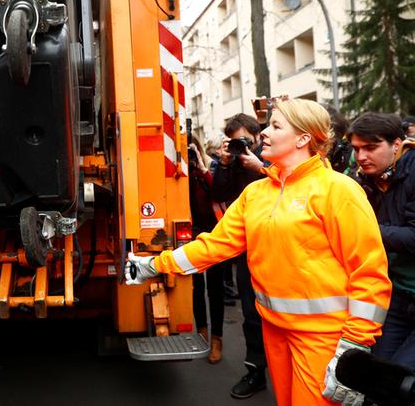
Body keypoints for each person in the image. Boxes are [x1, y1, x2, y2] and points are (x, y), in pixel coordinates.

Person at [127, 99, 391, 406]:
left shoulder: (338, 190)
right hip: (275, 330)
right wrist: (155, 265)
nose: (264, 132)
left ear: (304, 138)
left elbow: (370, 274)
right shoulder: (256, 193)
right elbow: (215, 245)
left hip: (324, 336)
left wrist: (353, 346)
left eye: (276, 126)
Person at [348, 113, 415, 369]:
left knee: (401, 379)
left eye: (370, 147)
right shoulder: (365, 179)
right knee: (378, 372)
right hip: (396, 296)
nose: (361, 156)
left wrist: (365, 228)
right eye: (356, 149)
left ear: (396, 144)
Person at [211, 113, 269, 399]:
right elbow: (219, 192)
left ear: (257, 136)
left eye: (245, 140)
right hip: (247, 247)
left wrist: (260, 167)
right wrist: (224, 163)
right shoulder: (231, 162)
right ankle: (256, 371)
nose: (240, 146)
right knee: (251, 314)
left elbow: (288, 182)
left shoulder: (271, 156)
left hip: (276, 247)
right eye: (235, 142)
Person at [188, 136, 225, 364]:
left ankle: (217, 339)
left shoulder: (211, 166)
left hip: (214, 232)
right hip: (191, 232)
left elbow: (219, 193)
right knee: (195, 287)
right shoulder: (179, 172)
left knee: (215, 288)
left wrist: (201, 168)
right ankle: (201, 332)